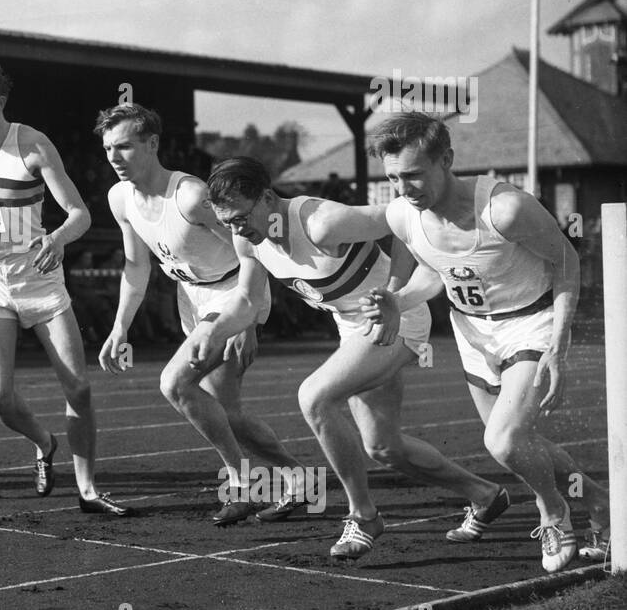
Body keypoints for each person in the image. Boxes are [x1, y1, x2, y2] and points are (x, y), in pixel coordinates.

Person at [199, 156, 503, 559]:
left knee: (315, 397)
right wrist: (217, 331)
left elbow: (406, 218)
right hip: (352, 328)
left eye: (240, 217)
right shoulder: (249, 239)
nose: (236, 229)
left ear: (268, 197)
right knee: (383, 447)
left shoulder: (323, 222)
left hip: (398, 320)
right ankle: (484, 495)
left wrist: (395, 292)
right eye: (227, 223)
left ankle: (364, 516)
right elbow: (248, 299)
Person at [362, 111, 611, 570]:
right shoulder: (402, 215)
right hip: (472, 330)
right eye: (394, 177)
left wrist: (558, 342)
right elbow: (434, 269)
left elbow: (566, 261)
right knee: (518, 441)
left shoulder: (504, 209)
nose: (403, 188)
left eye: (414, 175)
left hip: (530, 321)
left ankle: (553, 510)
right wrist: (400, 300)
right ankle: (599, 502)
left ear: (447, 160)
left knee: (502, 440)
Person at [95, 104, 308, 526]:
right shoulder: (120, 198)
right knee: (227, 413)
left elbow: (254, 246)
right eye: (106, 148)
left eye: (124, 146)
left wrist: (249, 320)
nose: (114, 157)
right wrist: (120, 327)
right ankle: (300, 481)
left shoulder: (191, 197)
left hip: (233, 295)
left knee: (174, 382)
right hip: (191, 298)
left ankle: (241, 485)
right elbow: (136, 266)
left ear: (152, 144)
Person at [0, 59, 130, 516]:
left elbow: (79, 213)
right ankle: (44, 443)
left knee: (78, 388)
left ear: (1, 103)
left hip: (37, 278)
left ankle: (87, 489)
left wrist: (57, 238)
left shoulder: (32, 144)